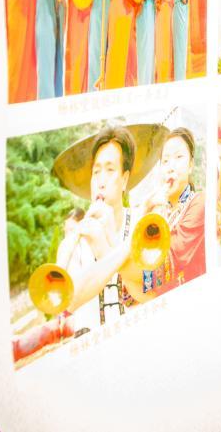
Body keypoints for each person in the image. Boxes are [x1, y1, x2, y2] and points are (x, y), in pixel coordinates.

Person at [67, 126, 206, 311]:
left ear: (190, 165)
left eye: (179, 157)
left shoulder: (199, 203)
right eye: (165, 161)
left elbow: (160, 275)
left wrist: (106, 247)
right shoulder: (158, 215)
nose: (170, 167)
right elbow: (136, 294)